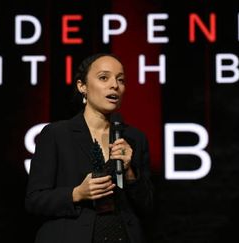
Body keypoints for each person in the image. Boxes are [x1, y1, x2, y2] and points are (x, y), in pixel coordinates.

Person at [25, 53, 154, 243]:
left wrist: (130, 173)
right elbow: (34, 200)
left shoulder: (134, 138)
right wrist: (77, 193)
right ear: (82, 86)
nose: (115, 85)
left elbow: (148, 207)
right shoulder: (57, 134)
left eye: (121, 80)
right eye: (104, 77)